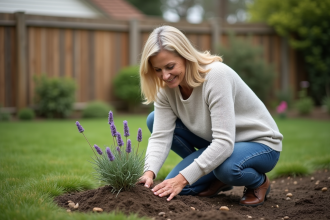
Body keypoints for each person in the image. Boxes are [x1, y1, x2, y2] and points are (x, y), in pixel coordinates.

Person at [138, 25, 282, 207]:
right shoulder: (165, 88)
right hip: (221, 143)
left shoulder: (216, 75)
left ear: (185, 56)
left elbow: (223, 142)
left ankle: (258, 183)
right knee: (181, 190)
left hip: (260, 144)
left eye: (170, 66)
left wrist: (183, 178)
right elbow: (160, 136)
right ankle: (215, 172)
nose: (165, 76)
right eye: (158, 70)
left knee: (226, 169)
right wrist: (148, 173)